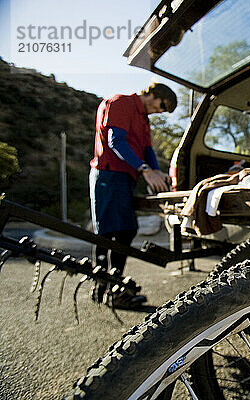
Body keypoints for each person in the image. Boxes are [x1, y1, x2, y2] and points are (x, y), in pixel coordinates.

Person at [89, 82, 177, 308]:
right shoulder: (121, 103)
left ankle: (111, 284)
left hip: (127, 177)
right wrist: (146, 171)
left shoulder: (144, 120)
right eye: (161, 106)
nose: (159, 111)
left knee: (125, 229)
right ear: (152, 93)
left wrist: (157, 172)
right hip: (108, 175)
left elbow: (147, 150)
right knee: (107, 231)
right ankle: (106, 286)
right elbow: (115, 141)